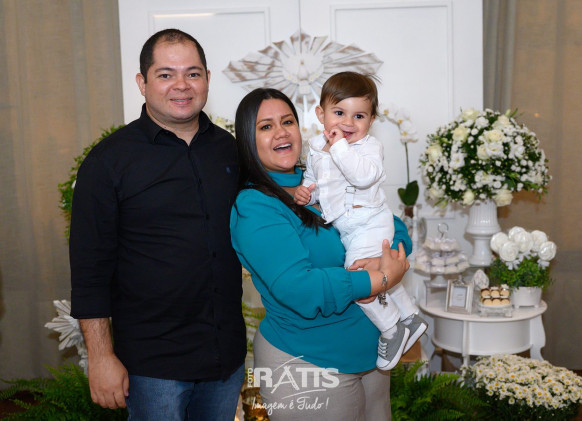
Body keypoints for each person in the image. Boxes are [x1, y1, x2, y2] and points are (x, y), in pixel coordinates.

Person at [69, 29, 246, 420]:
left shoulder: (231, 151)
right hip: (152, 368)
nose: (181, 85)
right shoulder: (108, 162)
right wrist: (101, 357)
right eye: (166, 74)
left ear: (207, 79)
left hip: (225, 359)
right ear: (142, 83)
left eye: (192, 73)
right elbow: (89, 272)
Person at [230, 88, 411, 420]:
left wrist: (386, 256)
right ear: (247, 140)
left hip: (371, 357)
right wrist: (378, 278)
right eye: (266, 126)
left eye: (287, 122)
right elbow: (300, 288)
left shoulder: (321, 175)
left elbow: (390, 222)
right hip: (307, 364)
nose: (281, 132)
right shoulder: (255, 206)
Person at [293, 72, 428, 371]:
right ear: (321, 114)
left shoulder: (369, 148)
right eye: (339, 113)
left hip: (371, 223)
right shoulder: (315, 147)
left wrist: (340, 147)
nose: (348, 123)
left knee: (358, 277)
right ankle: (409, 317)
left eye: (359, 116)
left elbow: (363, 177)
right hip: (347, 228)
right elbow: (318, 183)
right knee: (376, 271)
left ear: (371, 120)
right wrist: (307, 193)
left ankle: (391, 329)